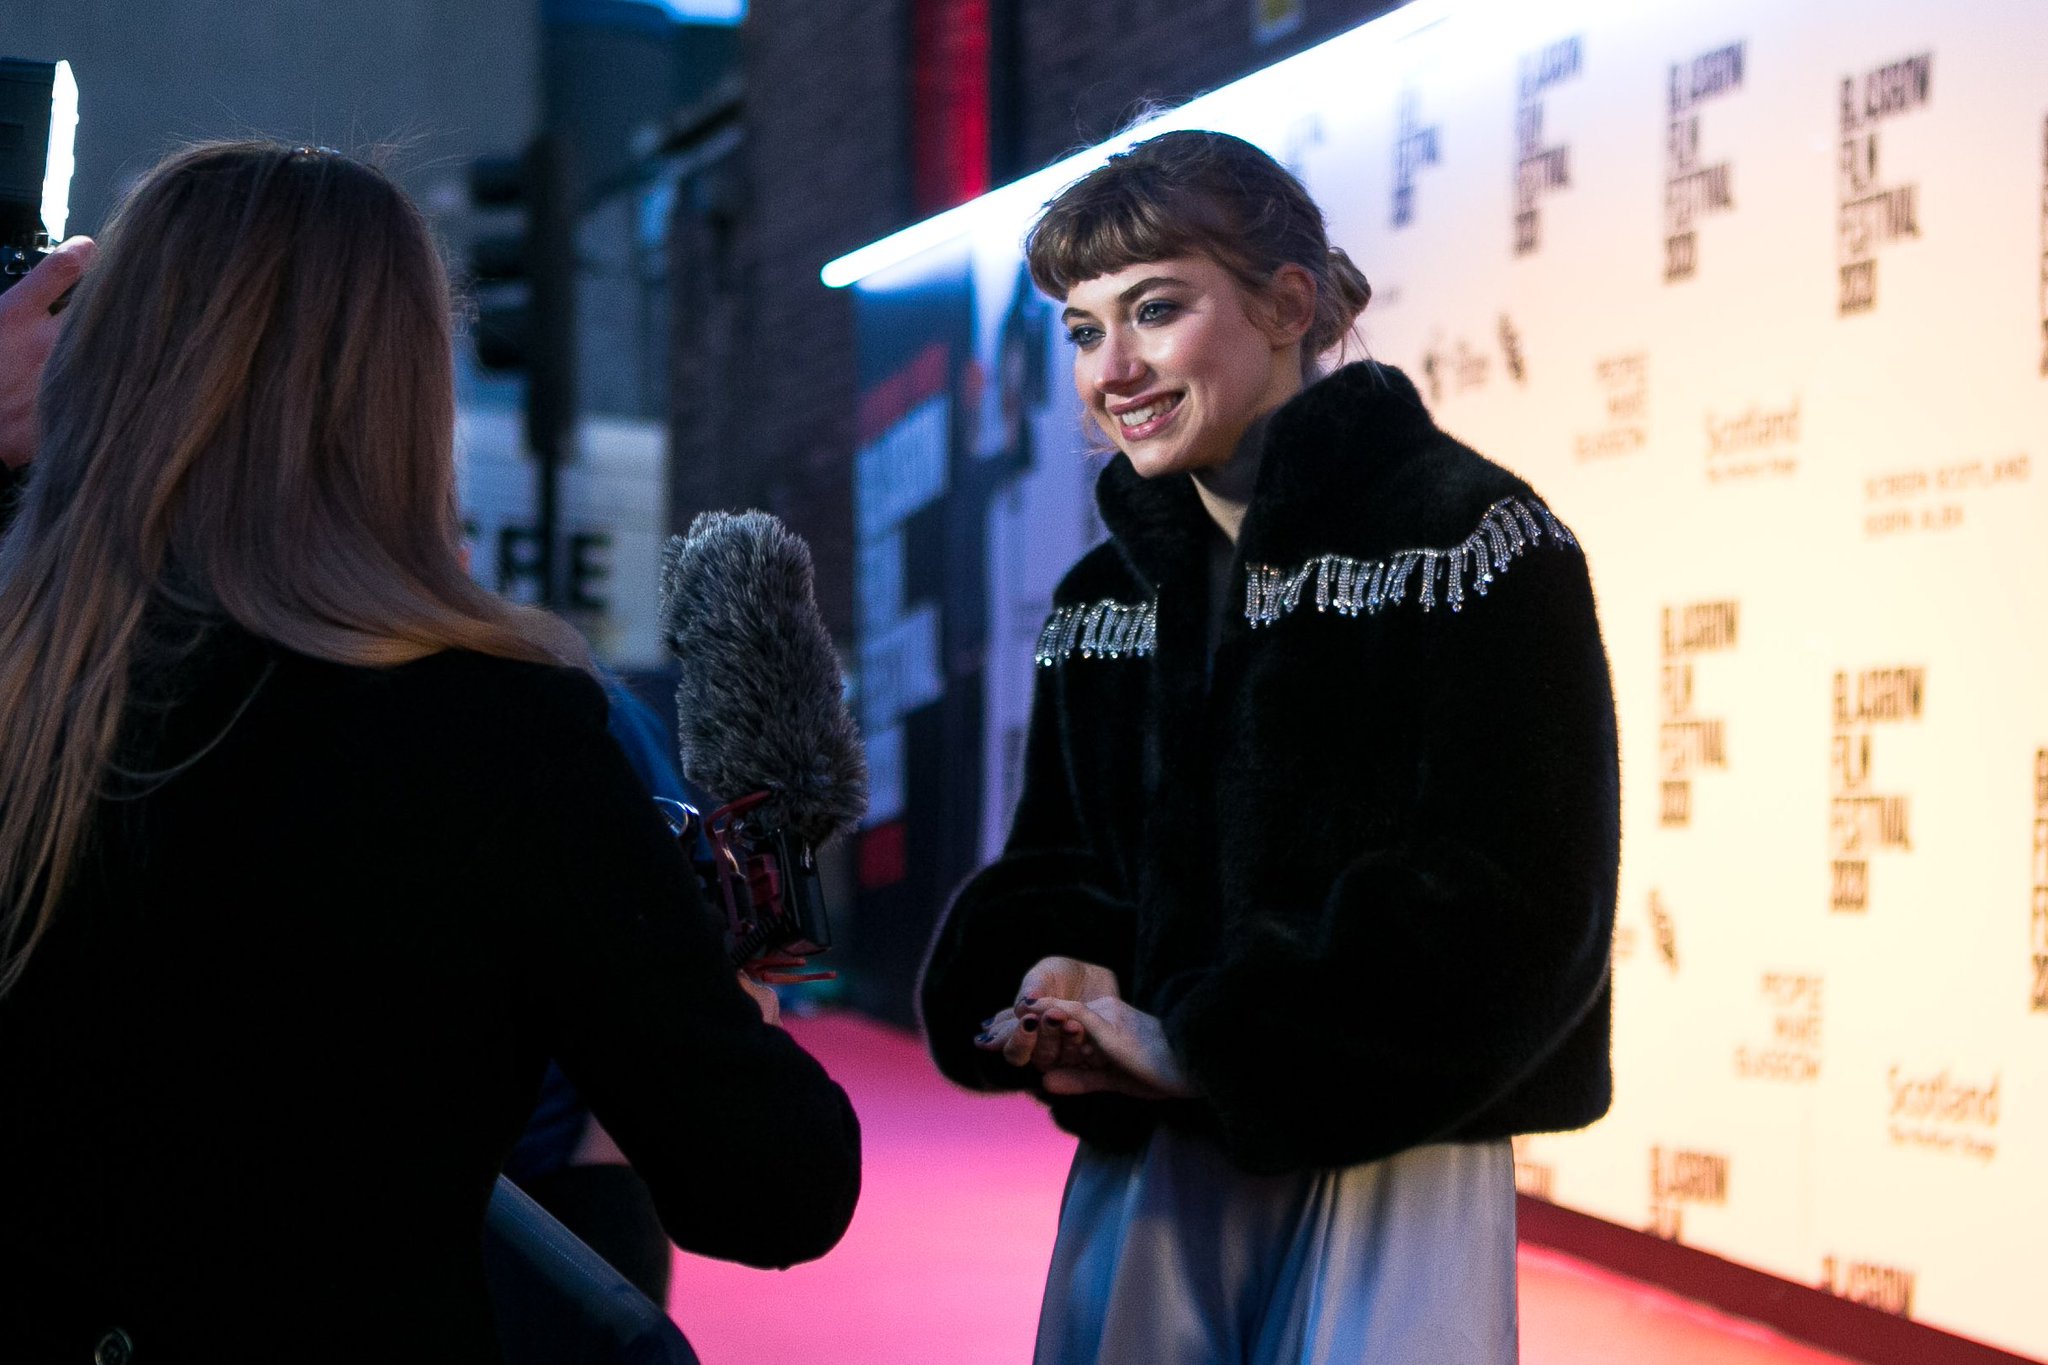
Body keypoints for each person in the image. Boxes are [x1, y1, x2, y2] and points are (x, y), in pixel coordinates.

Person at [0, 142, 859, 1365]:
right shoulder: (496, 731)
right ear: (402, 394)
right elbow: (770, 1191)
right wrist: (723, 1001)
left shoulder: (33, 686)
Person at [919, 129, 1619, 1364]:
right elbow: (1062, 861)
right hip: (1146, 1177)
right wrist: (1056, 972)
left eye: (1153, 310)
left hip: (1385, 1168)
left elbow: (1512, 911)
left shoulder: (1479, 542)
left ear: (1288, 303)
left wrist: (1207, 1046)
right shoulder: (1100, 592)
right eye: (1083, 331)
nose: (1111, 369)